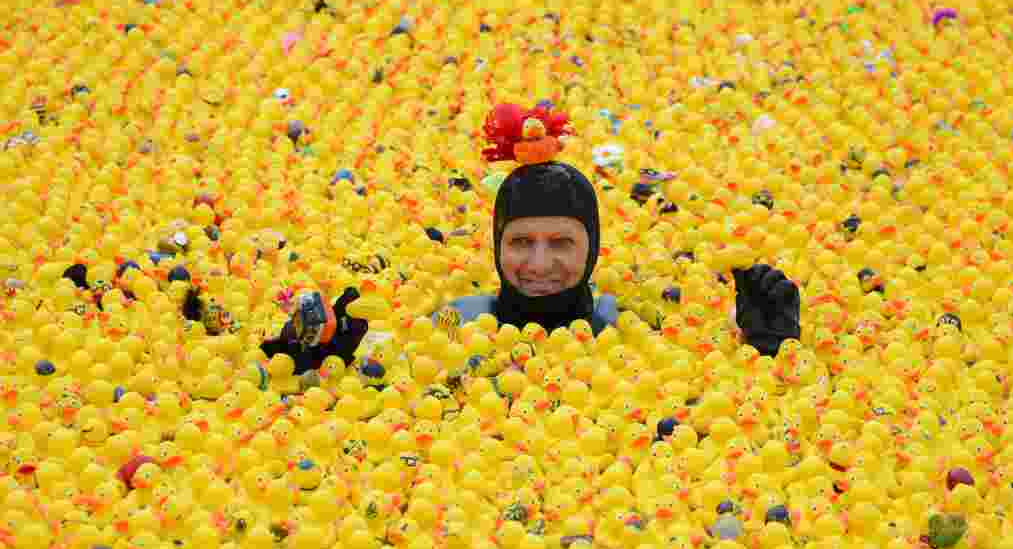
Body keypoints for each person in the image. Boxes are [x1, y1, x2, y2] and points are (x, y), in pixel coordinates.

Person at [256, 102, 801, 372]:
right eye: (520, 244)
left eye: (561, 244)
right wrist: (328, 348)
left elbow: (697, 382)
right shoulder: (460, 319)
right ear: (496, 246)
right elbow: (397, 360)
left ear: (592, 250)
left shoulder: (624, 327)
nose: (538, 263)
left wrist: (770, 348)